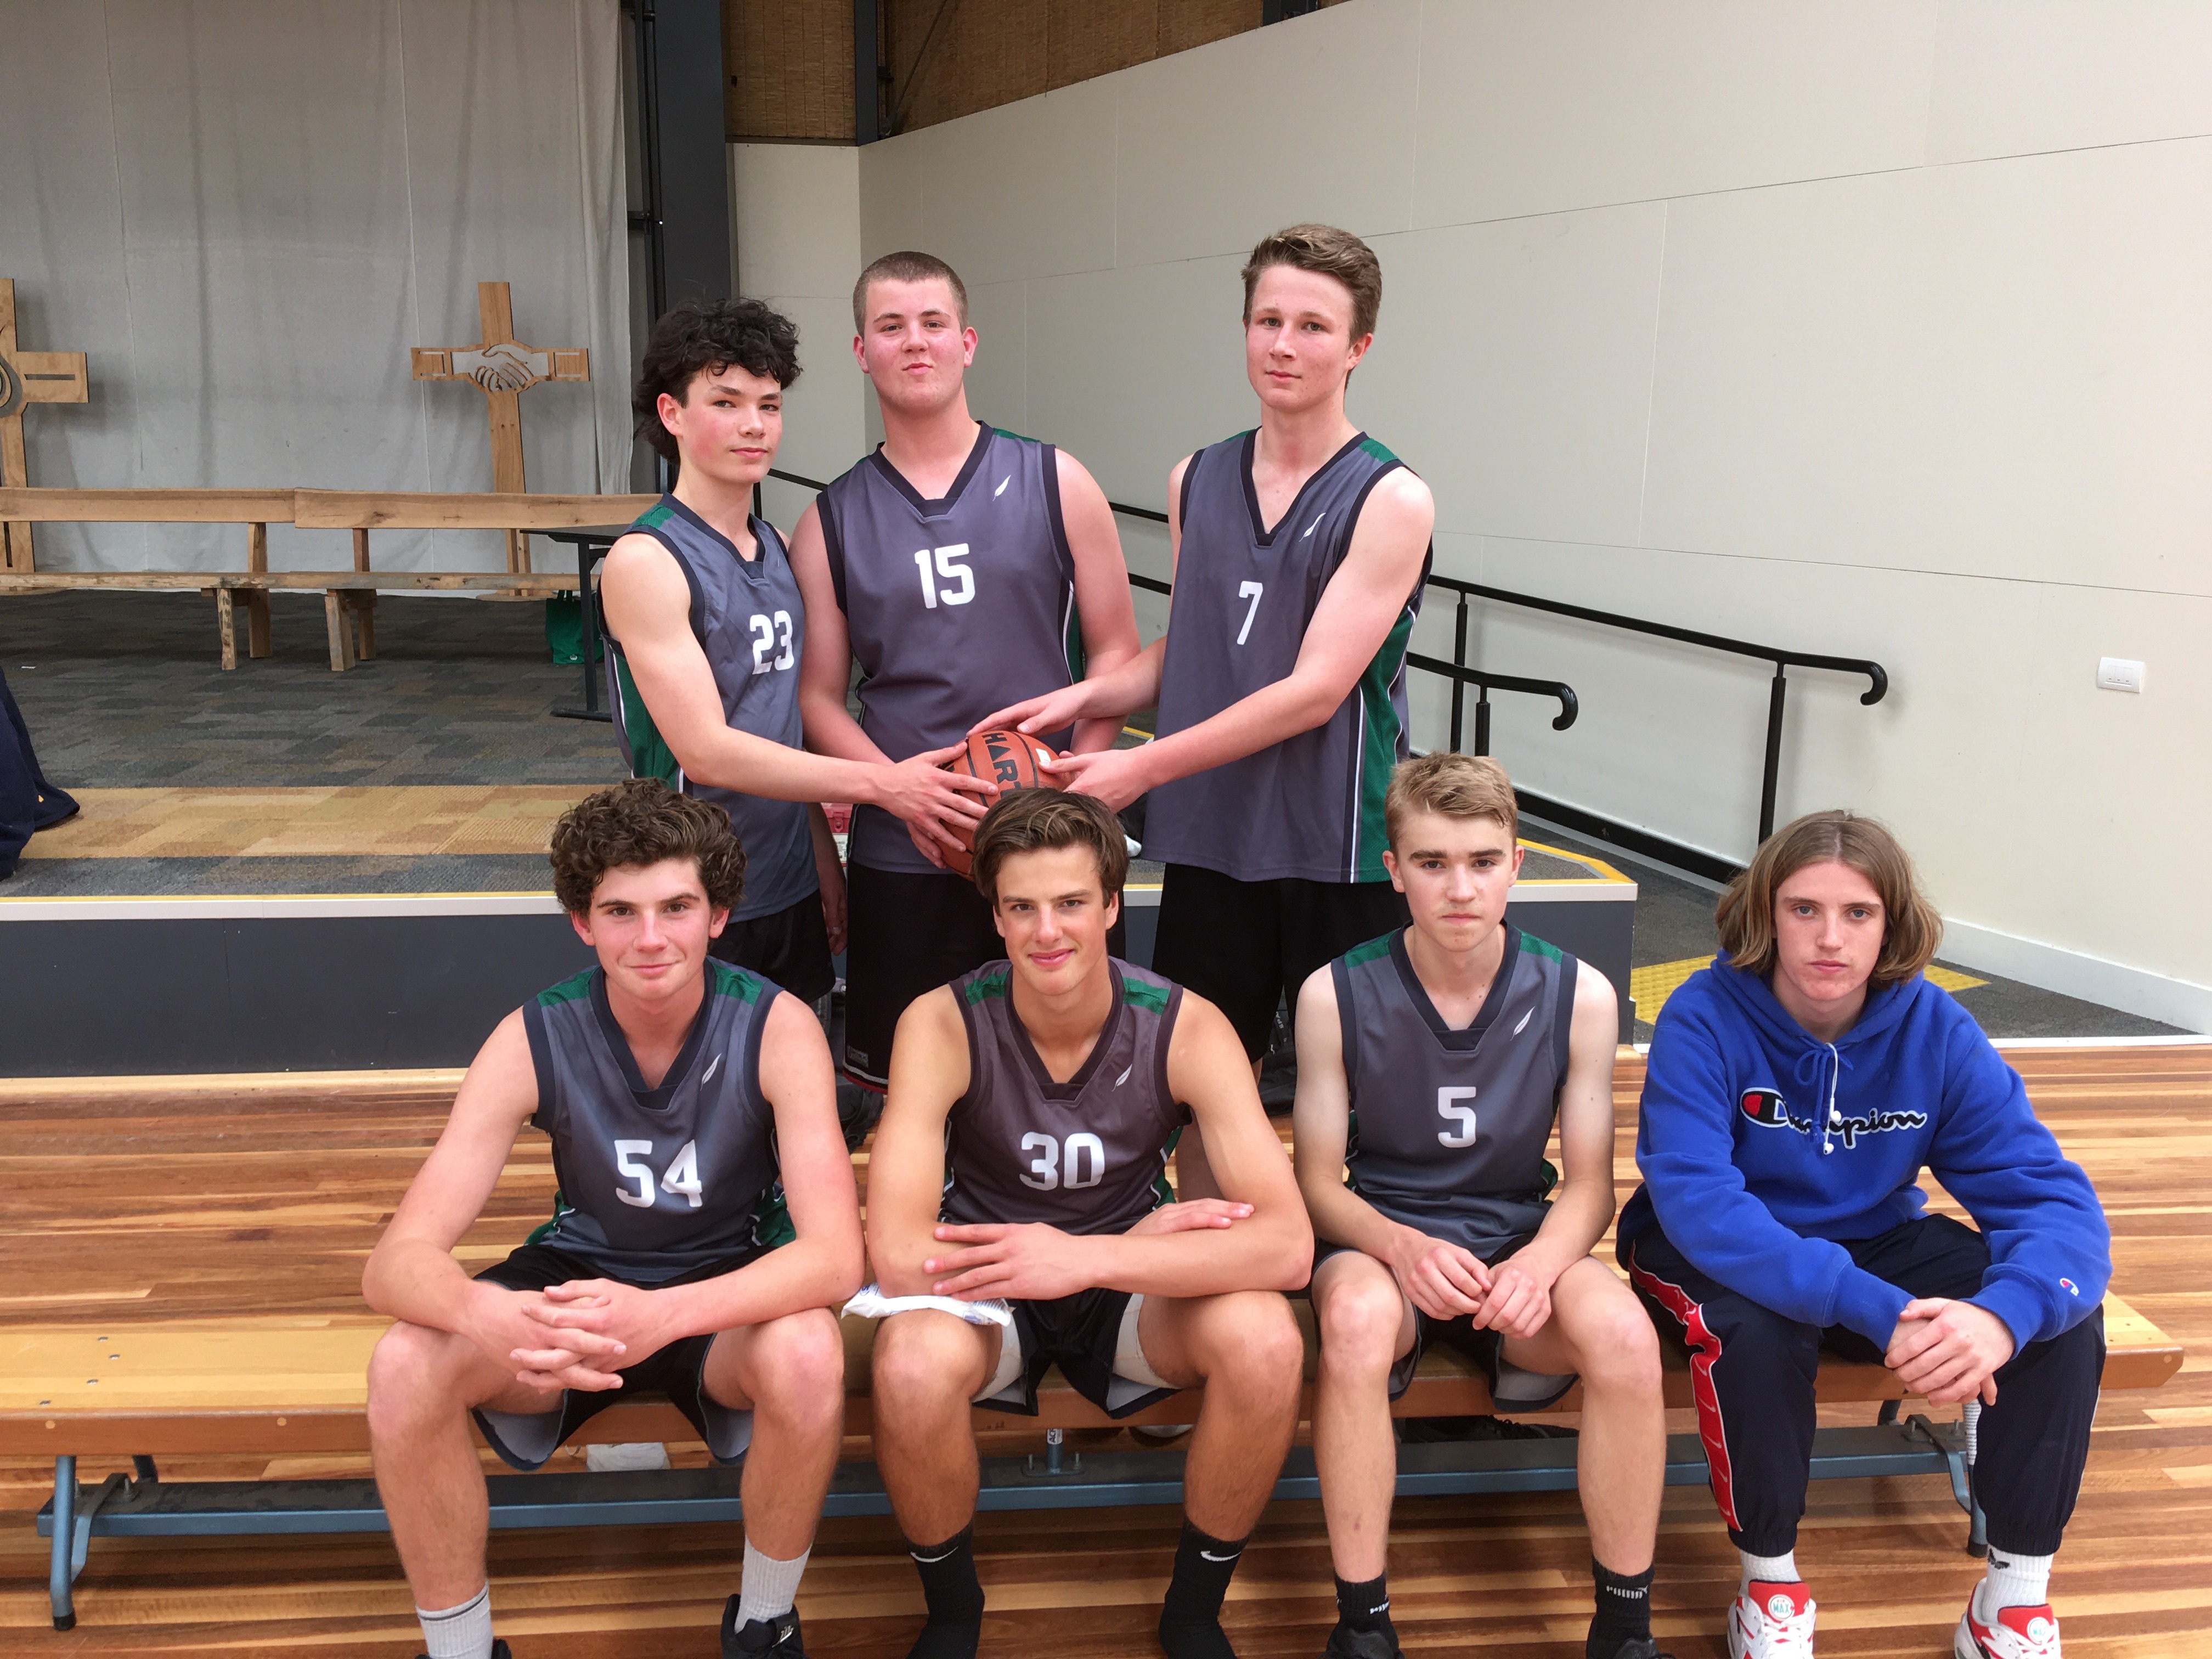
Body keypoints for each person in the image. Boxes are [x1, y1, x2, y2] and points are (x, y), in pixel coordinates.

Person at [362, 780, 863, 1659]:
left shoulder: (777, 1027)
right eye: (620, 912)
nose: (651, 938)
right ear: (581, 923)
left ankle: (764, 1625)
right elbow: (395, 1264)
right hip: (579, 1297)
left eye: (677, 907)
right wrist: (484, 1313)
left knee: (810, 1349)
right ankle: (460, 1651)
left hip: (717, 1296)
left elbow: (833, 1260)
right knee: (405, 1363)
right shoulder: (533, 1035)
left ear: (719, 916)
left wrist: (661, 1316)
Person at [1618, 810, 2110, 1659]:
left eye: (1858, 913)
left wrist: (2002, 1318)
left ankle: (2013, 1598)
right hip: (1714, 1245)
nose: (1829, 939)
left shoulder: (1934, 1028)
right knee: (1758, 1328)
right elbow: (1700, 1201)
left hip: (1872, 1239)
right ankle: (1769, 1584)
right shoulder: (1703, 1013)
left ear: (1892, 925)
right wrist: (1879, 1310)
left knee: (2060, 1316)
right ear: (1767, 914)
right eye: (1804, 909)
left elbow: (2049, 1199)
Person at [857, 787, 1311, 1659]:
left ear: (1110, 904)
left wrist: (1092, 1259)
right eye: (1022, 908)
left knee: (1266, 1341)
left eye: (1070, 903)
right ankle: (952, 1610)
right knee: (909, 1364)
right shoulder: (942, 1022)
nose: (1047, 932)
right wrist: (1064, 1260)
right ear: (995, 916)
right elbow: (900, 1254)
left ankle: (1195, 1609)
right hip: (991, 1284)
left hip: (1124, 1282)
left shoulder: (1188, 1025)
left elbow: (1288, 1247)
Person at [977, 223, 1435, 1086]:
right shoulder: (1196, 478)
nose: (1283, 345)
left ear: (1358, 347)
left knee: (1355, 1088)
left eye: (1313, 326)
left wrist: (1142, 767)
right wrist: (1089, 696)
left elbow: (1315, 691)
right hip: (1214, 836)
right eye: (1268, 321)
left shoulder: (1391, 498)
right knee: (1197, 1084)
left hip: (1335, 841)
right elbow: (1202, 646)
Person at [1292, 753, 1665, 1659]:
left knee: (1625, 1336)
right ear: (1394, 870)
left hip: (1516, 1240)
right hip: (1385, 1241)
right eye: (1432, 863)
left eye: (1483, 862)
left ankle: (1625, 1629)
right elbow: (1316, 1184)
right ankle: (1363, 1626)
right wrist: (1401, 1247)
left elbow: (1590, 1184)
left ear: (1516, 865)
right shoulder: (1332, 993)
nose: (1460, 889)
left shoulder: (1580, 995)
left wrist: (1539, 1266)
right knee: (1353, 1322)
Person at [786, 251, 1142, 1090]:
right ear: (861, 351)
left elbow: (1117, 654)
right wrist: (895, 791)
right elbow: (816, 698)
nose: (915, 342)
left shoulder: (1057, 480)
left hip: (1053, 841)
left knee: (1078, 1078)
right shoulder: (828, 521)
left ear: (968, 342)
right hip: (908, 845)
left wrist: (1072, 784)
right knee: (915, 1087)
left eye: (933, 323)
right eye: (891, 326)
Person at [597, 296, 998, 1008]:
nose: (754, 425)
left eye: (770, 405)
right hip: (692, 887)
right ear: (672, 414)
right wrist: (885, 785)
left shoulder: (778, 548)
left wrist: (821, 859)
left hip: (785, 880)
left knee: (800, 1062)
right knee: (711, 1075)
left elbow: (783, 724)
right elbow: (708, 752)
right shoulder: (647, 561)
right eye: (726, 403)